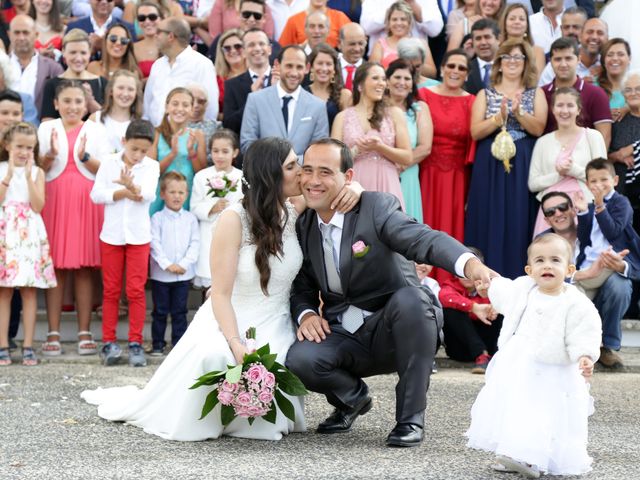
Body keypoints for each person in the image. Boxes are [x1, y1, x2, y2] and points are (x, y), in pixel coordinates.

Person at [81, 137, 312, 441]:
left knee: (278, 362)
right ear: (270, 174)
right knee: (217, 357)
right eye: (292, 166)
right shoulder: (234, 219)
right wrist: (235, 342)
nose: (301, 172)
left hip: (275, 320)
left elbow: (342, 188)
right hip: (231, 315)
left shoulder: (296, 209)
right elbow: (219, 293)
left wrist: (355, 191)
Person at [287, 138, 496, 447]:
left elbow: (423, 239)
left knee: (414, 298)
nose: (314, 181)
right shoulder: (303, 225)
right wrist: (305, 314)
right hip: (346, 334)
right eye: (308, 170)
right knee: (300, 358)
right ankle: (352, 399)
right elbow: (302, 283)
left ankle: (410, 419)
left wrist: (469, 264)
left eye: (325, 172)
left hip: (396, 328)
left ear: (348, 177)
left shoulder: (375, 207)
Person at [466, 233, 601, 478]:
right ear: (530, 269)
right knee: (517, 406)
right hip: (521, 361)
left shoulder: (575, 302)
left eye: (555, 260)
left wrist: (585, 355)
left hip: (555, 367)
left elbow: (586, 330)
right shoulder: (524, 289)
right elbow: (503, 291)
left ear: (569, 269)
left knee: (545, 412)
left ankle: (536, 458)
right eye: (539, 260)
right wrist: (489, 286)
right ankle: (515, 452)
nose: (547, 265)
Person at [38, 79, 110, 357]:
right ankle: (53, 332)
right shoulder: (46, 128)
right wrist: (50, 156)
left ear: (86, 105)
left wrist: (86, 157)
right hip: (53, 198)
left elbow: (105, 168)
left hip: (86, 199)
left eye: (78, 101)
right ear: (56, 104)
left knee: (84, 267)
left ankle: (84, 331)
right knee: (54, 266)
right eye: (66, 101)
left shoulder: (96, 130)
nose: (72, 106)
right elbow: (37, 167)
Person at [465, 38, 547, 280]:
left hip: (522, 160)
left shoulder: (536, 93)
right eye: (507, 57)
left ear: (525, 63)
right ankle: (485, 277)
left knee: (519, 215)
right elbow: (475, 132)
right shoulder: (485, 93)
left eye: (518, 57)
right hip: (489, 162)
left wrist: (519, 112)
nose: (512, 62)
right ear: (499, 63)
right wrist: (498, 118)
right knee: (489, 214)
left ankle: (519, 275)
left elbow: (539, 128)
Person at [90, 119, 160, 367]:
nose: (138, 155)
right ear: (124, 142)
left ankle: (135, 343)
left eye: (144, 150)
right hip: (112, 236)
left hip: (139, 237)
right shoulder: (109, 163)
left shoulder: (152, 166)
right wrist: (121, 192)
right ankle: (109, 342)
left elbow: (148, 195)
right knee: (110, 290)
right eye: (134, 149)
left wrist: (132, 186)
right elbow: (96, 194)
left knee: (135, 290)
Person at [573, 159, 640, 368]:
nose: (599, 184)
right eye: (593, 181)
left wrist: (600, 205)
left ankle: (607, 345)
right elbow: (585, 239)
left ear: (615, 180)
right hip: (589, 266)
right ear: (587, 183)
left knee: (620, 288)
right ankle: (580, 346)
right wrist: (583, 212)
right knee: (574, 297)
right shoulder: (591, 205)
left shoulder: (621, 203)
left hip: (611, 265)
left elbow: (613, 231)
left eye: (604, 179)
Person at [0, 122, 56, 367]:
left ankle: (28, 346)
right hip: (6, 233)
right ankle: (3, 344)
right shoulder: (1, 169)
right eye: (19, 147)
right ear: (7, 146)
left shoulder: (37, 173)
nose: (24, 152)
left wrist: (30, 175)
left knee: (30, 290)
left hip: (30, 233)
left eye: (30, 148)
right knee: (4, 290)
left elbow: (38, 205)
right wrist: (11, 174)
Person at [418, 50, 475, 275]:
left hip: (457, 176)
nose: (455, 71)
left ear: (468, 74)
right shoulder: (423, 95)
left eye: (462, 68)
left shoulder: (471, 101)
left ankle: (448, 280)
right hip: (426, 173)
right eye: (451, 65)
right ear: (442, 68)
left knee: (452, 228)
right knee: (425, 223)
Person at [332, 62, 412, 210]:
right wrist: (356, 150)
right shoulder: (342, 117)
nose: (381, 83)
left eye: (383, 79)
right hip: (354, 184)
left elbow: (407, 157)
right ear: (360, 85)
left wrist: (380, 147)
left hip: (387, 184)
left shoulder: (394, 114)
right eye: (375, 78)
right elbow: (334, 162)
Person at [528, 86, 607, 236]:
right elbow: (533, 184)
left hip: (585, 206)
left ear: (578, 109)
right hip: (552, 212)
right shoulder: (543, 142)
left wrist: (573, 170)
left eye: (570, 105)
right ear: (553, 109)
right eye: (560, 105)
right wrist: (559, 174)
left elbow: (602, 179)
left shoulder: (593, 137)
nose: (565, 111)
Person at [241, 45, 329, 159]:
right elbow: (247, 144)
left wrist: (292, 165)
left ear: (307, 68)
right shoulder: (256, 100)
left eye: (299, 67)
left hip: (301, 174)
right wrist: (274, 164)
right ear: (277, 65)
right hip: (266, 174)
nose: (293, 73)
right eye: (289, 66)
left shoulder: (318, 106)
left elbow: (319, 149)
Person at [149, 171, 200, 355]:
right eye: (172, 192)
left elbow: (195, 243)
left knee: (180, 311)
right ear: (162, 194)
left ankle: (178, 344)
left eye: (181, 192)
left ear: (186, 194)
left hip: (183, 275)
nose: (177, 196)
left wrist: (184, 264)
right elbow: (154, 244)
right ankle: (157, 344)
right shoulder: (157, 219)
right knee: (160, 311)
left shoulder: (190, 219)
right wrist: (167, 264)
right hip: (161, 276)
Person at [190, 129, 243, 289]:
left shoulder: (241, 177)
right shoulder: (201, 176)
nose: (220, 156)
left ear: (235, 153)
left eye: (225, 151)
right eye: (215, 151)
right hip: (208, 233)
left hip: (232, 234)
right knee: (209, 277)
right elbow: (194, 206)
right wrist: (212, 208)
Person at [143, 17, 218, 127]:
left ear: (171, 36)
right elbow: (148, 104)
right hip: (156, 136)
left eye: (159, 32)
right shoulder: (157, 65)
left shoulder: (202, 64)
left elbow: (210, 109)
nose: (155, 35)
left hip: (187, 139)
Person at [439, 247, 501, 374]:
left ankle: (497, 356)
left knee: (502, 312)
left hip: (489, 345)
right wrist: (473, 307)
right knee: (450, 310)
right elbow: (444, 297)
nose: (466, 276)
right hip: (461, 349)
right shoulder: (449, 285)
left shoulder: (491, 286)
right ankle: (481, 354)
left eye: (470, 271)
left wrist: (495, 309)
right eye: (463, 271)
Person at [541, 37, 612, 147]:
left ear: (578, 59)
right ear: (550, 61)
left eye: (568, 58)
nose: (563, 64)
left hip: (585, 161)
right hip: (549, 159)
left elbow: (604, 137)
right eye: (558, 59)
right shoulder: (542, 94)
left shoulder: (596, 94)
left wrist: (596, 163)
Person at [386, 58, 432, 223]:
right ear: (387, 81)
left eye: (407, 79)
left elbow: (425, 147)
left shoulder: (420, 109)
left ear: (412, 84)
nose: (402, 82)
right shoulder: (377, 108)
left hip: (408, 175)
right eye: (397, 77)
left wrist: (401, 165)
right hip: (382, 173)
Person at [149, 87, 207, 215]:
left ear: (191, 110)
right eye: (175, 104)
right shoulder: (156, 133)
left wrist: (191, 152)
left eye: (185, 105)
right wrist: (173, 154)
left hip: (186, 193)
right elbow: (150, 171)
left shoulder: (197, 135)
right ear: (167, 107)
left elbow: (201, 172)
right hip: (161, 193)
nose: (180, 109)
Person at [40, 29, 107, 121]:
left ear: (90, 53)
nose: (78, 58)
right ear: (63, 51)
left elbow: (108, 122)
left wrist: (91, 102)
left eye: (83, 53)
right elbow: (47, 123)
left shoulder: (102, 83)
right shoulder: (52, 84)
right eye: (73, 52)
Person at [223, 28, 276, 135]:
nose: (257, 48)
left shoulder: (283, 80)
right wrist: (252, 99)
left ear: (269, 49)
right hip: (249, 148)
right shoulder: (232, 85)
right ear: (243, 52)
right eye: (251, 45)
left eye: (261, 43)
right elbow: (229, 125)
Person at [8, 14, 63, 117]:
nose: (21, 37)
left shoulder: (53, 68)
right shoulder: (2, 65)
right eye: (17, 33)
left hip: (40, 129)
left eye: (26, 32)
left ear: (36, 35)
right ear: (9, 35)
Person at [370, 1, 436, 77]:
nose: (398, 23)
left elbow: (432, 73)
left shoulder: (421, 43)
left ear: (409, 22)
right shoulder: (380, 44)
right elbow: (373, 72)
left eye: (403, 19)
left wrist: (415, 63)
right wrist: (397, 65)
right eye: (394, 19)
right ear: (389, 22)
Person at [609, 69, 640, 230]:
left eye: (638, 89)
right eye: (628, 89)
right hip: (623, 193)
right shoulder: (617, 119)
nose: (634, 93)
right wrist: (619, 156)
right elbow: (606, 155)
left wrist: (633, 149)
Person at [361, 0, 444, 57]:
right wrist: (394, 8)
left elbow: (435, 30)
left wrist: (412, 4)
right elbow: (366, 28)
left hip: (416, 59)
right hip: (381, 61)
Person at [90, 70, 143, 154]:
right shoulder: (95, 118)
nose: (125, 94)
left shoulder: (141, 124)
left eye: (131, 89)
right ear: (111, 91)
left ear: (136, 93)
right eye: (120, 88)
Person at [537, 6, 590, 86]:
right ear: (561, 29)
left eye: (576, 27)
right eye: (566, 27)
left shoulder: (599, 58)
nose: (570, 31)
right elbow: (543, 94)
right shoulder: (552, 65)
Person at [305, 43, 351, 129]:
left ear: (334, 69)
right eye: (320, 63)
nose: (324, 68)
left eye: (328, 64)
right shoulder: (302, 94)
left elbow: (348, 129)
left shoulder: (344, 95)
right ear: (311, 67)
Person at [279, 0, 350, 49]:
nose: (316, 31)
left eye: (321, 26)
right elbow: (283, 49)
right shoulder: (294, 21)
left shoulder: (339, 17)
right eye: (312, 26)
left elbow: (352, 41)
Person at [500, 2, 545, 79]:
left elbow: (536, 79)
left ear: (527, 25)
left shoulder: (537, 51)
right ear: (504, 23)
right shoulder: (497, 49)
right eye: (512, 19)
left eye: (521, 19)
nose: (517, 22)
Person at [596, 38, 631, 121]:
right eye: (610, 55)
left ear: (629, 59)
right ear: (603, 60)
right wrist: (604, 114)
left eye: (620, 54)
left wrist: (629, 108)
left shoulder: (636, 85)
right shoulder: (592, 87)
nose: (615, 58)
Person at [214, 28, 247, 117]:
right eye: (227, 48)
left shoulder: (255, 75)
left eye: (238, 46)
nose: (233, 51)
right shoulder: (216, 79)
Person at [463, 18, 500, 95]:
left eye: (487, 37)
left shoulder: (509, 66)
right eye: (478, 38)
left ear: (498, 39)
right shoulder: (464, 69)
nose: (483, 42)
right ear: (472, 42)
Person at [208, 0, 275, 40]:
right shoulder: (221, 2)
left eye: (257, 16)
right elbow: (215, 38)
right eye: (245, 14)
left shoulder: (262, 4)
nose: (251, 19)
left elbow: (268, 36)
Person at [188, 84, 220, 165]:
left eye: (201, 101)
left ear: (206, 104)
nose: (195, 105)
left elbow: (220, 152)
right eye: (191, 101)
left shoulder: (216, 127)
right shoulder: (175, 126)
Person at [132, 1, 163, 80]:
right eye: (142, 18)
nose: (147, 21)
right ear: (138, 22)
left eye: (152, 17)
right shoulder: (132, 48)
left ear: (161, 19)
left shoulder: (171, 46)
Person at [337, 22, 366, 91]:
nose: (357, 49)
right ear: (339, 44)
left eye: (360, 43)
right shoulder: (330, 68)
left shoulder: (370, 71)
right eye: (352, 44)